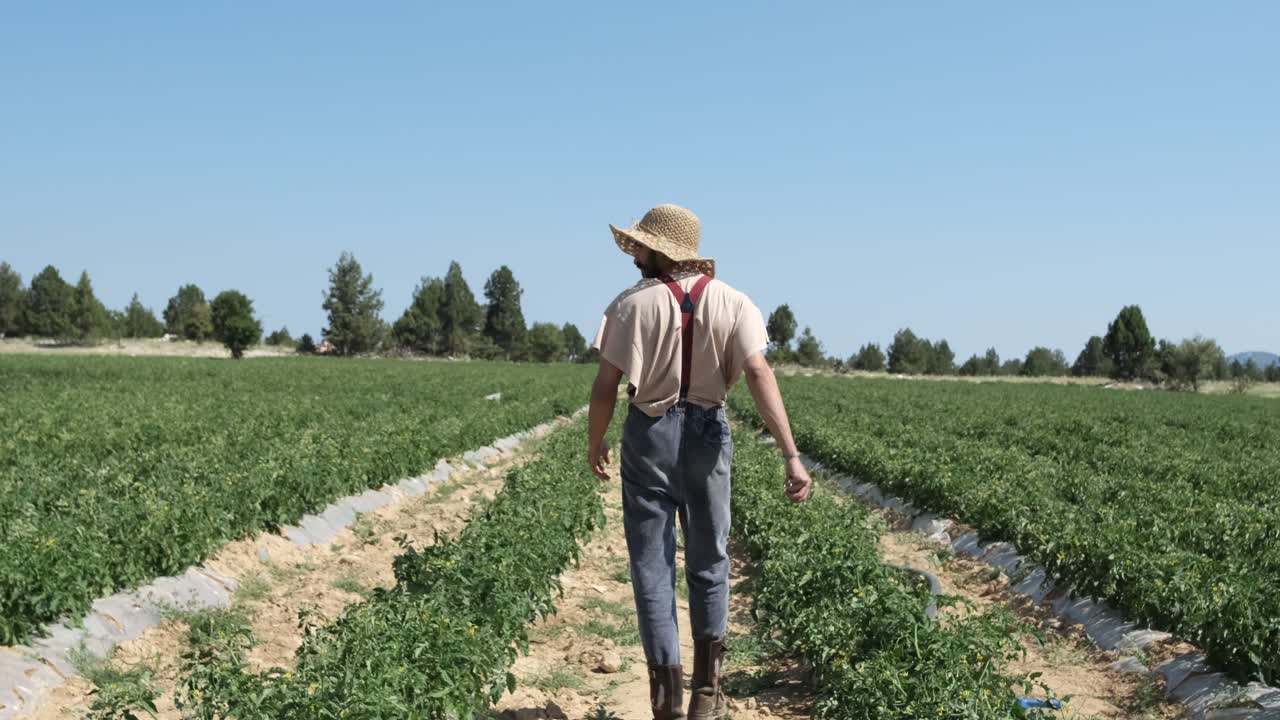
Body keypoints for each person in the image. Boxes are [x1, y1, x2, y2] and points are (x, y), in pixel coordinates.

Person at [587, 204, 812, 720]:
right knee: (710, 563)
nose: (635, 256)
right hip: (710, 432)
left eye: (641, 247)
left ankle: (665, 700)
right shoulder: (735, 302)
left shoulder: (630, 306)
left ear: (661, 252)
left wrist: (596, 441)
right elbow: (759, 373)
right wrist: (791, 456)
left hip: (649, 434)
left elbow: (604, 388)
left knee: (652, 567)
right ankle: (706, 698)